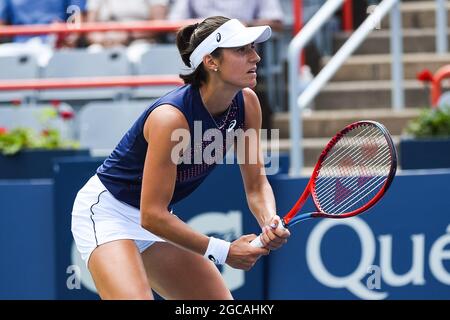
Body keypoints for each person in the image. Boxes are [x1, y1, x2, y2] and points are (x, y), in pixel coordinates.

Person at [71, 16, 290, 300]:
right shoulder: (170, 118)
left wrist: (269, 221)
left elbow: (257, 185)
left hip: (154, 220)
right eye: (241, 50)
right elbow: (152, 215)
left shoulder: (248, 103)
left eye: (252, 48)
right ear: (211, 61)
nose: (256, 56)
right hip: (108, 214)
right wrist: (224, 251)